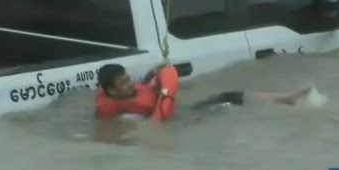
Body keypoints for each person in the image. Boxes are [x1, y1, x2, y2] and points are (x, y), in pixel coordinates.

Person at [94, 62, 312, 120]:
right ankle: (284, 100)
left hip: (179, 110)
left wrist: (153, 74)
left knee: (230, 96)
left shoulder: (129, 90)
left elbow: (143, 88)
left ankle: (285, 99)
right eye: (123, 84)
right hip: (181, 120)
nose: (130, 84)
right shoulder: (118, 110)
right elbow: (145, 120)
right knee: (228, 103)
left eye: (127, 79)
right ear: (111, 92)